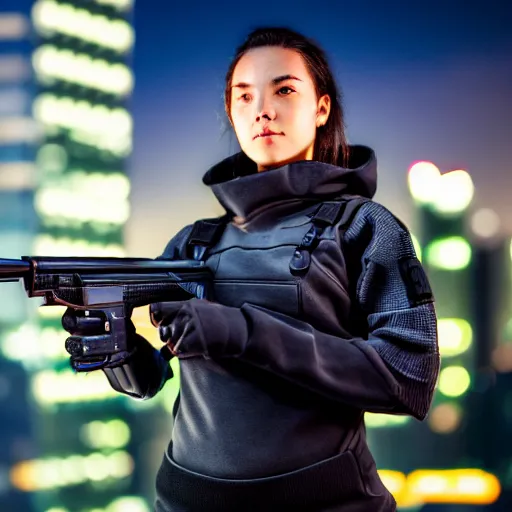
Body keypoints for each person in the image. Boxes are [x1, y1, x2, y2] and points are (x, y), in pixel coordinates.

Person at [62, 27, 440, 512]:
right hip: (186, 499)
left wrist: (239, 331)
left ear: (321, 107)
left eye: (284, 90)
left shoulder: (365, 228)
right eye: (245, 97)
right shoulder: (195, 242)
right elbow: (148, 380)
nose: (263, 109)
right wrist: (114, 346)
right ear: (232, 114)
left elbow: (408, 374)